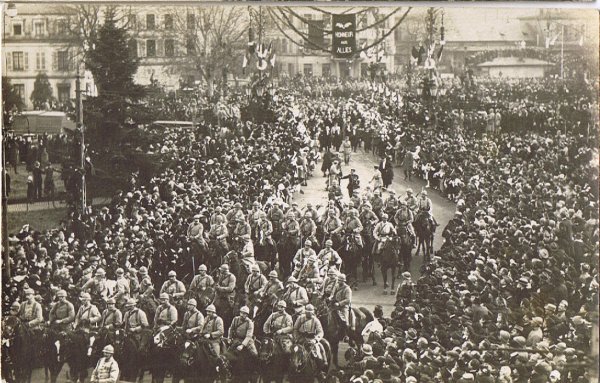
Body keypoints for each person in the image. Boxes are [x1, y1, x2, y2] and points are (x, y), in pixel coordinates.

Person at [328, 274, 352, 340]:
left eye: (340, 280)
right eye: (338, 280)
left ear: (344, 281)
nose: (338, 281)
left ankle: (346, 334)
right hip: (334, 304)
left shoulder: (347, 289)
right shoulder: (336, 286)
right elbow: (332, 294)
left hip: (343, 306)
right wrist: (330, 298)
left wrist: (339, 303)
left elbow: (348, 300)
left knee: (344, 319)